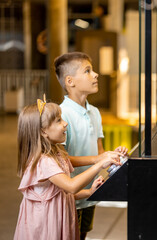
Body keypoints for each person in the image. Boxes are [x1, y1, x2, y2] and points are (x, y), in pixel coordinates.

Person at [14, 99, 121, 240]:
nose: (65, 123)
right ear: (43, 131)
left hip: (58, 220)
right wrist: (99, 165)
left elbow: (61, 194)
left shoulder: (58, 154)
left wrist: (89, 192)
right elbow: (71, 187)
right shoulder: (44, 161)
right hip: (46, 226)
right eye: (58, 120)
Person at [54, 52, 128, 239]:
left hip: (90, 194)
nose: (95, 75)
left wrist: (112, 156)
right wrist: (98, 159)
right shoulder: (61, 115)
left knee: (83, 235)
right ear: (70, 81)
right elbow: (61, 161)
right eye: (87, 71)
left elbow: (99, 151)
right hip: (70, 197)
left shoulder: (94, 112)